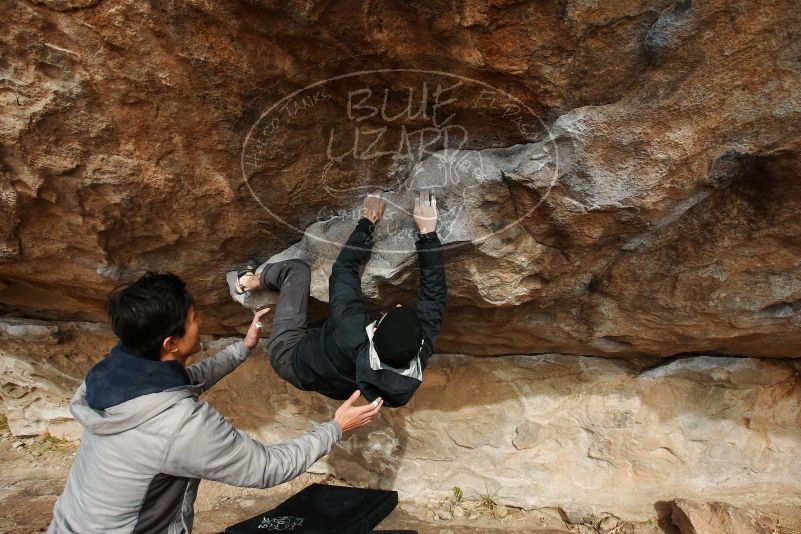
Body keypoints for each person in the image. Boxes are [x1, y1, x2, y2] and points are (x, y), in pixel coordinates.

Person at [48, 272, 382, 533]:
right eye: (193, 319)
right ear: (171, 343)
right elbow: (267, 468)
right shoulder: (178, 426)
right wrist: (336, 428)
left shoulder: (109, 376)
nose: (201, 322)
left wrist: (242, 348)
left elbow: (182, 382)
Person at [233, 190, 447, 407]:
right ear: (419, 343)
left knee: (295, 270)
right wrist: (428, 235)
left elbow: (344, 270)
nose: (399, 305)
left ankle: (249, 281)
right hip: (338, 380)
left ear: (373, 330)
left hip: (291, 358)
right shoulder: (418, 355)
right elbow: (434, 295)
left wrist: (367, 222)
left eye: (391, 313)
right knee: (327, 335)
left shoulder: (351, 328)